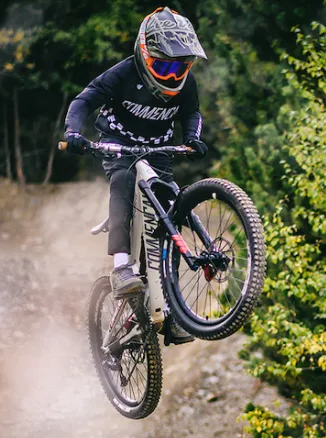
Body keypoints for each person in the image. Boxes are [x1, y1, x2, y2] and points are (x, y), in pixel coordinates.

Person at [63, 7, 207, 343]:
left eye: (180, 67)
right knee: (124, 182)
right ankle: (122, 267)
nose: (173, 76)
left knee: (173, 204)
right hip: (119, 146)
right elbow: (82, 102)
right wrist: (73, 133)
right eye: (164, 66)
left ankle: (170, 308)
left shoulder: (187, 84)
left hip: (158, 152)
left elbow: (192, 112)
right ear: (145, 55)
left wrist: (192, 138)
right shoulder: (123, 73)